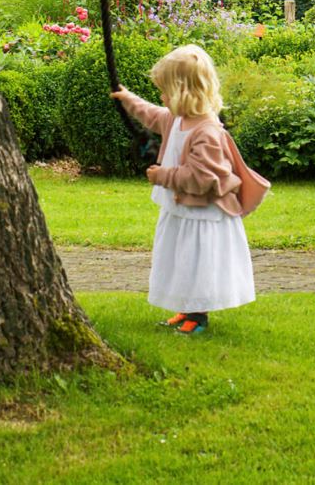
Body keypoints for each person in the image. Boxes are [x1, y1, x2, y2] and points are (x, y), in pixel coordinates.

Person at [111, 44, 270, 335]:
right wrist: (128, 99)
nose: (162, 97)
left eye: (166, 91)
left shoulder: (207, 132)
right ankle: (187, 310)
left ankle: (198, 316)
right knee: (181, 260)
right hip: (182, 211)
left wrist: (164, 176)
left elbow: (202, 178)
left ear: (184, 93)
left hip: (202, 215)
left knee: (198, 263)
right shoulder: (178, 118)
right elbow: (152, 114)